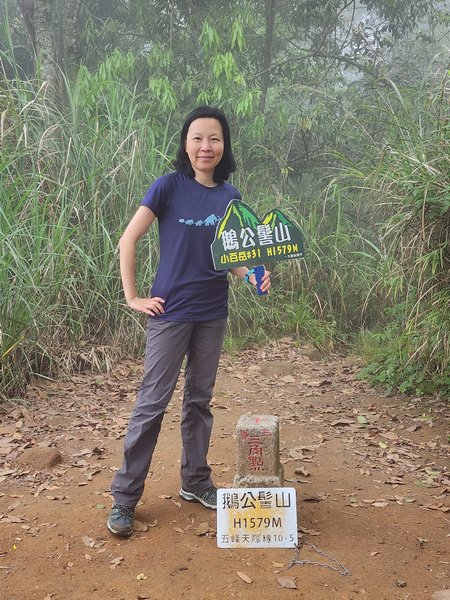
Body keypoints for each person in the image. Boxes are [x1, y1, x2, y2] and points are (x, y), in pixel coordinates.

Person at [107, 106, 270, 537]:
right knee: (151, 404)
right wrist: (132, 297)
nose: (206, 146)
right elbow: (129, 239)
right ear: (186, 143)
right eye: (198, 138)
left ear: (224, 146)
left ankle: (195, 482)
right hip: (170, 312)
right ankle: (125, 498)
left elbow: (231, 260)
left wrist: (253, 274)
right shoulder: (168, 187)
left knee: (199, 402)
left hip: (212, 313)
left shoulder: (230, 197)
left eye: (214, 139)